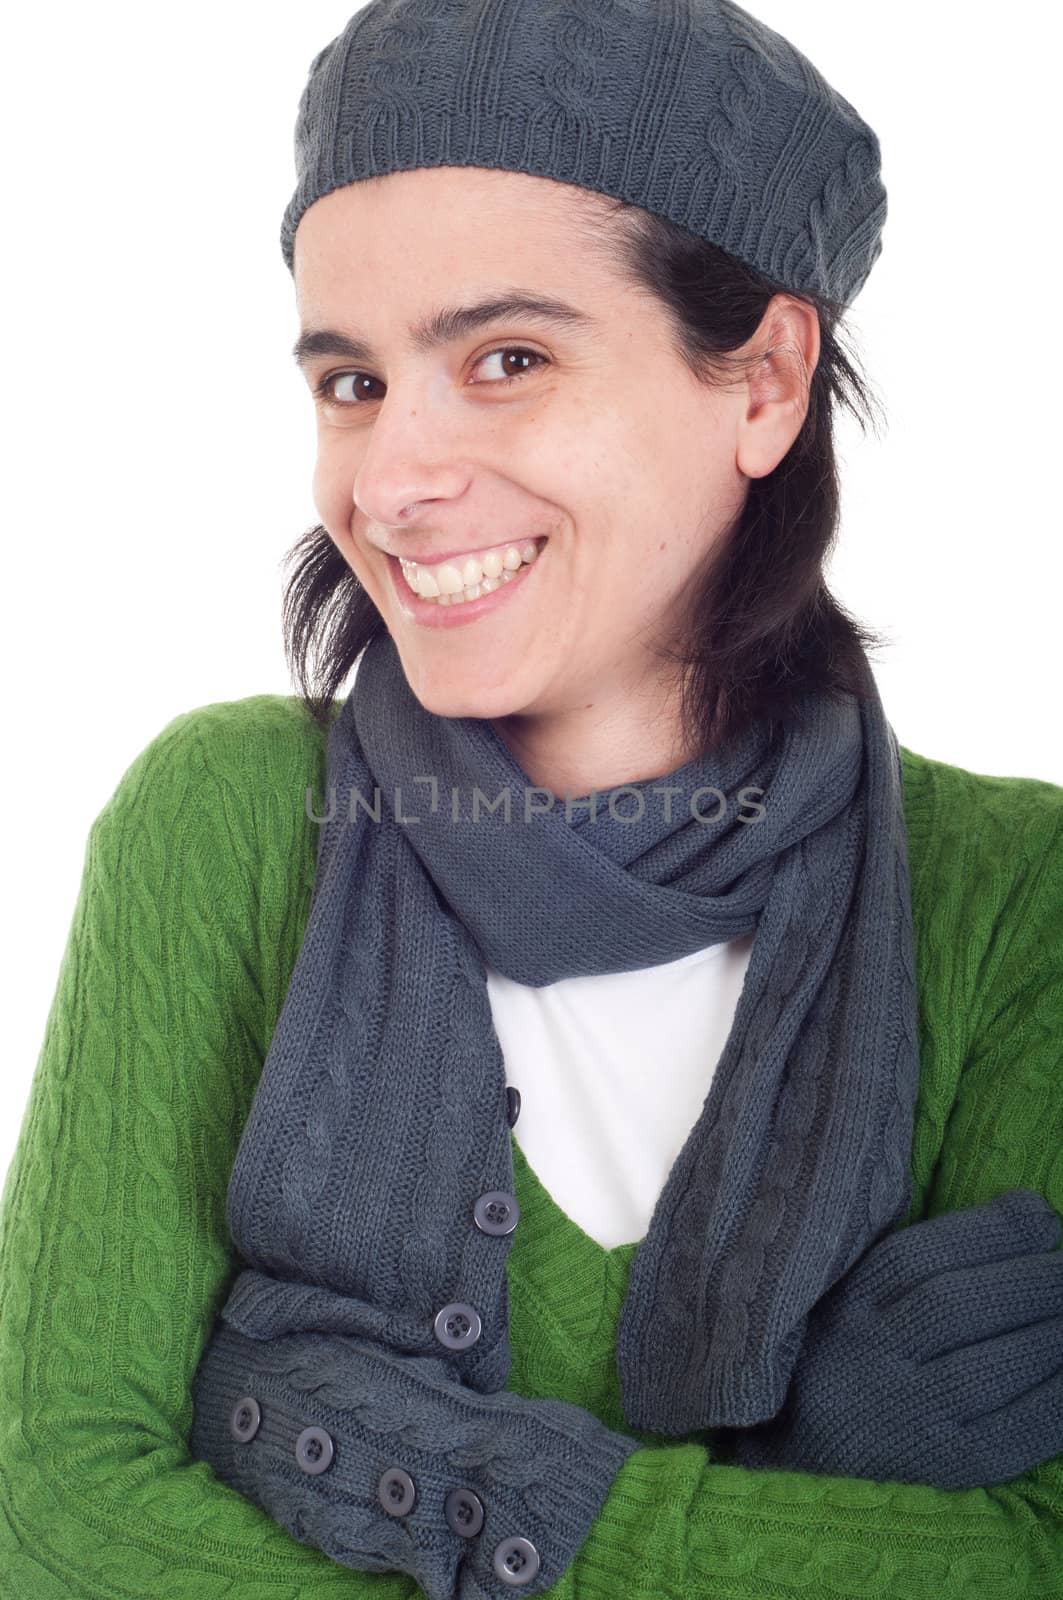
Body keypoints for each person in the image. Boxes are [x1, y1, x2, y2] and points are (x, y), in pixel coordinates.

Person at [2, 0, 1062, 1595]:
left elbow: (1030, 1557)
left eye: (507, 359)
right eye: (350, 382)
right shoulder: (224, 825)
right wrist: (797, 1497)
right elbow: (55, 1510)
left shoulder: (1014, 897)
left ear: (766, 380)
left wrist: (306, 1425)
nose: (391, 478)